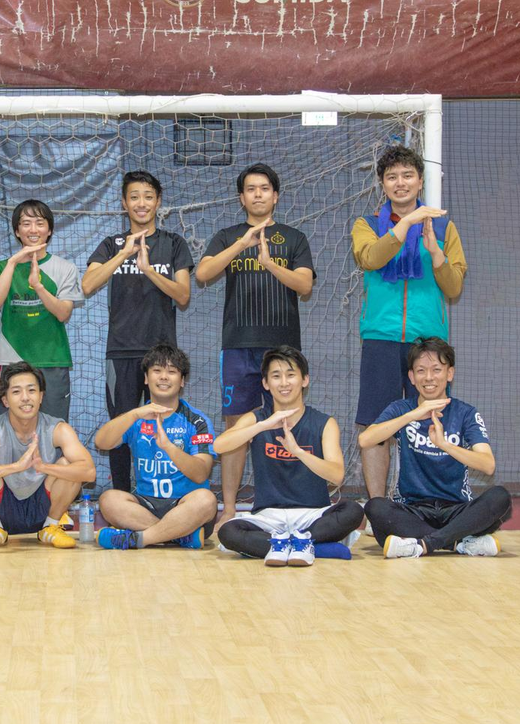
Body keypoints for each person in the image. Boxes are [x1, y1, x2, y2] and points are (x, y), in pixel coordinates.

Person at [194, 163, 315, 531]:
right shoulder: (228, 236)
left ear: (275, 196)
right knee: (236, 427)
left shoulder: (293, 238)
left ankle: (281, 505)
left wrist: (268, 264)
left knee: (284, 425)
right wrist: (241, 246)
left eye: (264, 188)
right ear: (241, 197)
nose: (258, 194)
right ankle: (229, 509)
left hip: (282, 350)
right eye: (251, 189)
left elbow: (304, 286)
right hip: (238, 347)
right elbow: (203, 274)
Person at [352, 144, 467, 499]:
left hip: (428, 341)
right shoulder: (367, 224)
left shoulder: (444, 227)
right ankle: (378, 507)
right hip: (381, 338)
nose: (400, 183)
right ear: (382, 185)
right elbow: (370, 259)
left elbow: (454, 287)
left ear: (420, 182)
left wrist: (435, 253)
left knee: (432, 422)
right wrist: (405, 225)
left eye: (407, 176)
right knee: (377, 424)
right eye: (392, 177)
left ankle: (434, 502)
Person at [82, 171, 192, 492]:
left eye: (147, 196)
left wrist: (148, 270)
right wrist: (123, 255)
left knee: (164, 425)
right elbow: (87, 285)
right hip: (121, 351)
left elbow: (183, 295)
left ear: (158, 201)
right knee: (121, 428)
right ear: (124, 203)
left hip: (162, 354)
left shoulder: (173, 244)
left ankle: (163, 492)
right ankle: (122, 497)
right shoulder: (112, 244)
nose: (141, 203)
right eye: (134, 197)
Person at [358, 338, 510, 557]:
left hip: (456, 509)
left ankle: (424, 544)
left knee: (500, 497)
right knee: (376, 508)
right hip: (414, 510)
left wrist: (444, 444)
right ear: (411, 377)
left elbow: (488, 465)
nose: (429, 377)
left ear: (450, 374)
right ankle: (457, 543)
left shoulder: (465, 413)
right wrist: (412, 415)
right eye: (421, 370)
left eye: (436, 370)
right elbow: (365, 440)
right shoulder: (402, 408)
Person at [213, 346, 364, 567]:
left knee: (353, 511)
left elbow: (337, 475)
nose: (284, 383)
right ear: (266, 383)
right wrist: (263, 426)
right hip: (269, 517)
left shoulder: (324, 423)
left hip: (313, 516)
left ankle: (289, 544)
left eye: (290, 375)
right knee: (228, 532)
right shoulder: (257, 419)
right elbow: (219, 445)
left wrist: (298, 452)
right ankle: (310, 547)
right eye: (276, 376)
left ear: (305, 380)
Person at [91, 344, 217, 550]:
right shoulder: (136, 418)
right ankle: (180, 536)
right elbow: (101, 442)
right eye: (157, 370)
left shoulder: (197, 421)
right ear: (146, 378)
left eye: (172, 371)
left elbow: (201, 473)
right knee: (108, 500)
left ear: (182, 381)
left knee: (206, 500)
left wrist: (168, 447)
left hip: (186, 505)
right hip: (146, 506)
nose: (164, 377)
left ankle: (139, 539)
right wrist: (134, 414)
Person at [0, 362, 96, 551]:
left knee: (68, 465)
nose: (25, 397)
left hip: (43, 508)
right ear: (5, 400)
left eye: (31, 390)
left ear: (41, 396)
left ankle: (51, 527)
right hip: (3, 509)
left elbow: (89, 472)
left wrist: (43, 467)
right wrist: (16, 466)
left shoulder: (58, 428)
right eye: (16, 392)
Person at [0, 200, 83, 423]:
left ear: (49, 230)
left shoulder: (65, 268)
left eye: (40, 223)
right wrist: (13, 262)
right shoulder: (1, 267)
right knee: (9, 427)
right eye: (26, 223)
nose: (33, 229)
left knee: (55, 428)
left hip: (52, 360)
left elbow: (63, 313)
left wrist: (38, 287)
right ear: (17, 231)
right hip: (12, 361)